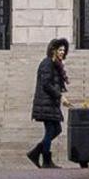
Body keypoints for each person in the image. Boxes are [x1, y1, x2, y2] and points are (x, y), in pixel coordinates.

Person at [27, 37, 71, 168]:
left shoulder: (56, 64)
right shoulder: (47, 63)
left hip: (50, 103)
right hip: (45, 103)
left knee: (56, 129)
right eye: (60, 49)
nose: (62, 52)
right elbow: (46, 84)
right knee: (52, 129)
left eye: (64, 50)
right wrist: (61, 97)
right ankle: (45, 160)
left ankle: (36, 153)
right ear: (53, 50)